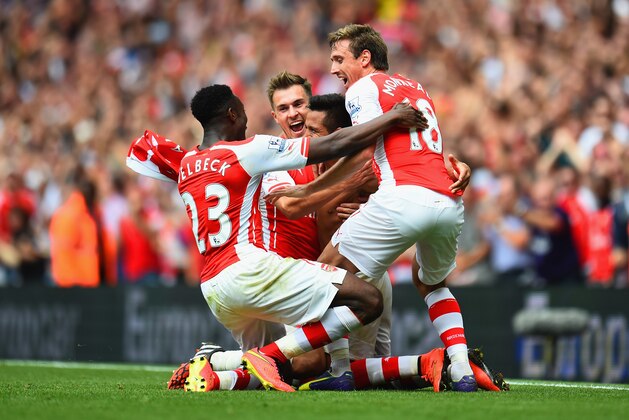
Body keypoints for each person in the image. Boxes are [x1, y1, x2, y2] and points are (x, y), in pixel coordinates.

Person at [127, 84, 428, 392]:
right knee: (368, 300)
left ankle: (217, 370)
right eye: (243, 113)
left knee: (283, 369)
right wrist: (391, 118)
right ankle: (275, 357)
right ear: (232, 114)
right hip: (249, 271)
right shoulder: (249, 150)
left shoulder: (188, 164)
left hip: (214, 289)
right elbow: (334, 144)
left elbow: (147, 157)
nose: (247, 122)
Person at [267, 24, 477, 391]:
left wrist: (313, 190)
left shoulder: (364, 88)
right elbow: (423, 149)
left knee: (324, 276)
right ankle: (460, 368)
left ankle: (334, 370)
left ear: (364, 58)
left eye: (338, 59)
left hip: (402, 197)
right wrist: (458, 164)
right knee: (431, 282)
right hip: (448, 199)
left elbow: (362, 149)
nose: (333, 69)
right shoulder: (415, 87)